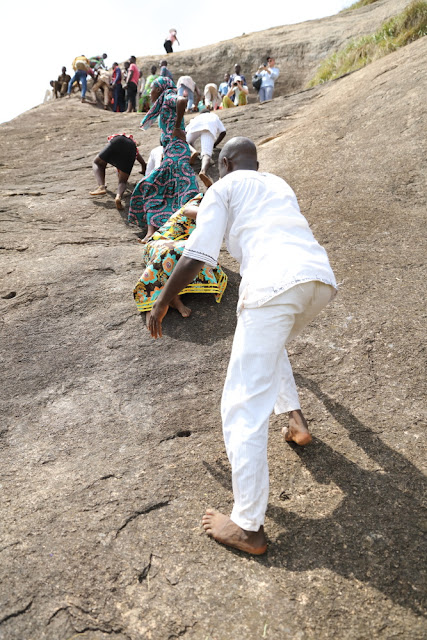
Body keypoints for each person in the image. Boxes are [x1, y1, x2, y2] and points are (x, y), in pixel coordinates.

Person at [147, 136, 337, 555]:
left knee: (241, 404)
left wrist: (163, 298)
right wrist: (207, 198)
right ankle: (297, 422)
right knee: (271, 350)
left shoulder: (223, 187)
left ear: (226, 162)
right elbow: (237, 222)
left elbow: (199, 252)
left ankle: (248, 525)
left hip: (272, 286)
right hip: (317, 281)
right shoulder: (276, 184)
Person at [134, 194, 227, 326]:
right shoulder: (195, 203)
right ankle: (157, 301)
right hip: (159, 244)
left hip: (181, 246)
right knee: (185, 250)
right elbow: (189, 212)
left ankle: (174, 296)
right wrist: (223, 214)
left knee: (205, 261)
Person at [128, 77, 199, 242]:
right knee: (167, 190)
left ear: (159, 89)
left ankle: (160, 232)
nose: (150, 92)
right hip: (171, 151)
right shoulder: (164, 102)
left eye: (152, 88)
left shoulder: (168, 96)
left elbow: (182, 100)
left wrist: (176, 127)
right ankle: (155, 232)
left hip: (177, 152)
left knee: (154, 187)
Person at [90, 133, 146, 210]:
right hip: (129, 149)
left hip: (117, 141)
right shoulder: (134, 149)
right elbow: (143, 163)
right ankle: (118, 197)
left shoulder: (119, 136)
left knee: (97, 163)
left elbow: (106, 158)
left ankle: (101, 187)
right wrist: (143, 171)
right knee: (122, 182)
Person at [185, 110, 226, 188]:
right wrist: (215, 144)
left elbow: (185, 132)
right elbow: (223, 132)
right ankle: (203, 171)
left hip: (195, 126)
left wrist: (191, 145)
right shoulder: (214, 116)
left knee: (184, 141)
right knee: (206, 154)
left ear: (201, 114)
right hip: (208, 127)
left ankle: (193, 151)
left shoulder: (197, 117)